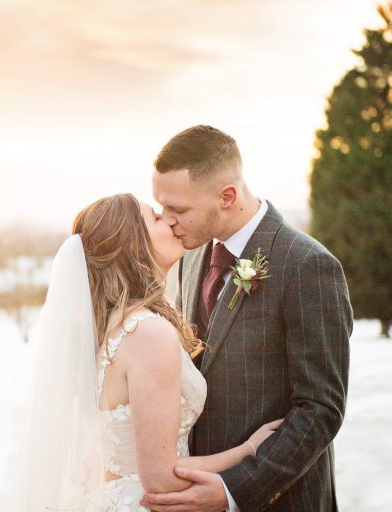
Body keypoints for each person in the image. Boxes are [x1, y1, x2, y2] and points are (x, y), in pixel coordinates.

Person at [3, 193, 282, 512]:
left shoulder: (111, 330)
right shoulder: (148, 333)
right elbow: (162, 481)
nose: (170, 219)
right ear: (133, 246)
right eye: (156, 218)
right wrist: (248, 450)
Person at [142, 125, 353, 512]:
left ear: (227, 196)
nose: (167, 220)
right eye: (161, 207)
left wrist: (232, 490)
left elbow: (321, 408)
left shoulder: (308, 265)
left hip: (280, 500)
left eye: (179, 210)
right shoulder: (190, 256)